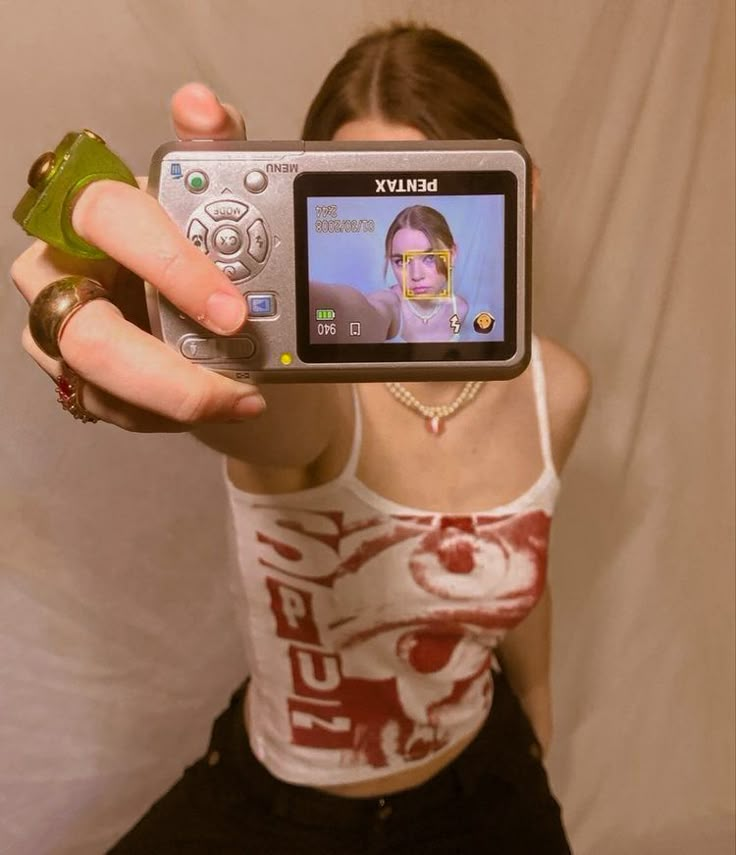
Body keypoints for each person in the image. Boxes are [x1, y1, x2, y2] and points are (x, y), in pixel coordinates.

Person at [10, 22, 591, 854]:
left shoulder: (559, 388)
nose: (412, 254)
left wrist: (535, 717)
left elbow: (527, 560)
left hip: (485, 774)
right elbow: (265, 411)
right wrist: (175, 321)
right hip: (288, 811)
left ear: (518, 197)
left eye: (430, 206)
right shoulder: (307, 389)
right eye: (368, 199)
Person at [311, 204, 468, 343]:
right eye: (401, 261)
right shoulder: (390, 305)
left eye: (429, 258)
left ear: (452, 254)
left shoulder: (461, 308)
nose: (416, 275)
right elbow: (358, 308)